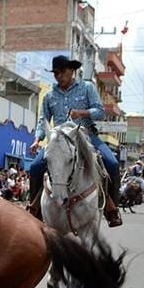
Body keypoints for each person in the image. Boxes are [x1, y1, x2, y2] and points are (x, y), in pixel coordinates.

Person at [27, 55, 122, 227]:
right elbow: (43, 120)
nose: (59, 76)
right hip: (58, 139)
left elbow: (100, 111)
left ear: (72, 70)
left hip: (85, 135)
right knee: (35, 166)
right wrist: (37, 139)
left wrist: (82, 113)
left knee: (112, 163)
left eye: (62, 72)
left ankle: (112, 209)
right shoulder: (49, 95)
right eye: (56, 73)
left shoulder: (87, 88)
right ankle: (34, 209)